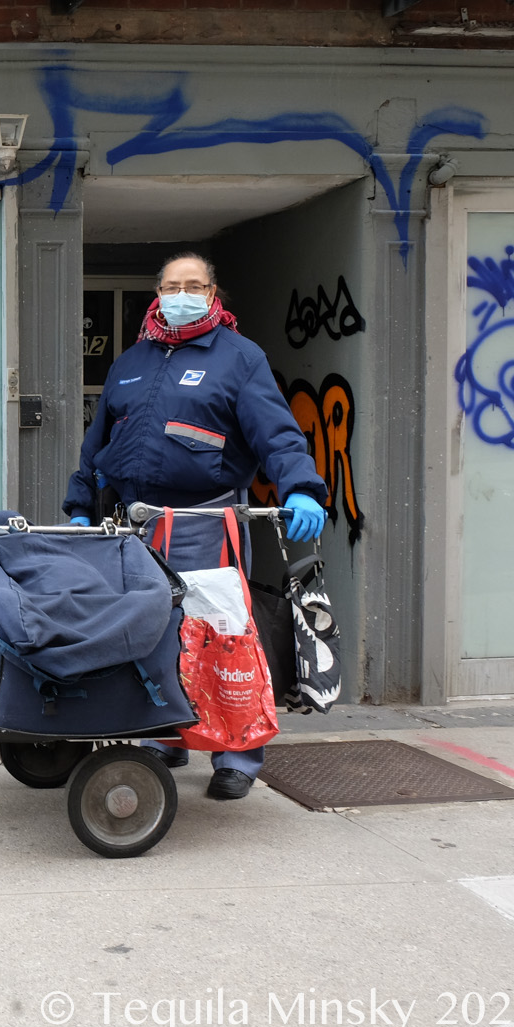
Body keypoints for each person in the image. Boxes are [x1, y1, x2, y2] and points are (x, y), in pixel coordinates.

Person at [63, 252, 328, 801]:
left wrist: (301, 485)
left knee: (221, 635)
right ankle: (167, 736)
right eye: (171, 286)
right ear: (157, 294)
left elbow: (277, 435)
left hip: (207, 521)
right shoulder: (130, 361)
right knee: (151, 634)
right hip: (137, 526)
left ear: (213, 294)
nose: (181, 295)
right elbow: (97, 444)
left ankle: (238, 753)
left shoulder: (240, 358)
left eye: (195, 286)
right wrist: (82, 501)